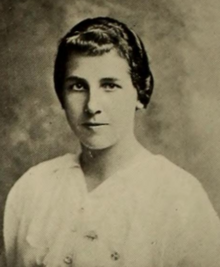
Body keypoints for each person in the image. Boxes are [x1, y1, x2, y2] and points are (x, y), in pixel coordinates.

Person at [3, 17, 220, 267]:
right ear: (61, 96)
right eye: (77, 86)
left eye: (110, 85)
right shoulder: (34, 188)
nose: (92, 105)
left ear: (140, 92)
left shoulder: (179, 197)